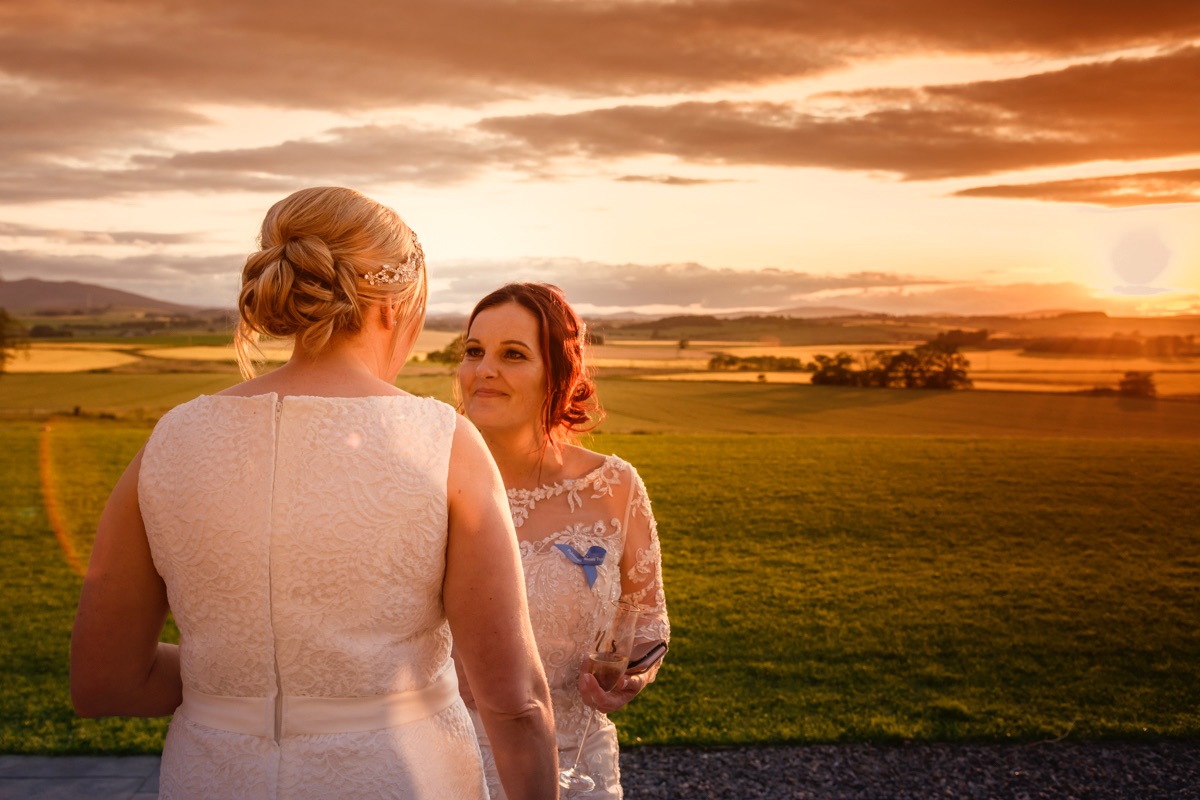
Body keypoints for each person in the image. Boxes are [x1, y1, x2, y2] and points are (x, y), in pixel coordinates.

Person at [70, 187, 558, 800]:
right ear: (394, 304)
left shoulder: (170, 440)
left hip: (213, 778)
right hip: (398, 777)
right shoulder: (442, 441)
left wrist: (243, 685)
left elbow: (103, 681)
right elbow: (514, 703)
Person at [455, 283, 669, 799]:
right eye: (473, 351)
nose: (484, 369)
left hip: (575, 761)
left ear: (558, 372)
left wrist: (632, 676)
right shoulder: (426, 482)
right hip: (448, 760)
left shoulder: (613, 487)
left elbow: (648, 621)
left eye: (513, 354)